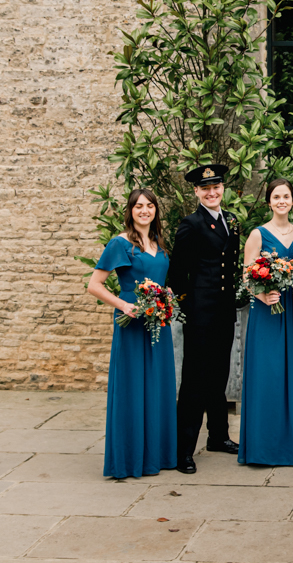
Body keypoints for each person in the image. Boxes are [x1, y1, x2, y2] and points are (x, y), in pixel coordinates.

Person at [87, 189, 176, 478]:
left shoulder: (159, 243)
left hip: (158, 323)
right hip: (132, 322)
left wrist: (167, 296)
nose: (144, 211)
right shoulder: (120, 243)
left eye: (150, 206)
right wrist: (124, 304)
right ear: (130, 210)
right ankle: (128, 459)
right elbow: (94, 285)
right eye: (139, 206)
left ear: (155, 211)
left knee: (157, 386)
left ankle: (156, 456)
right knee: (132, 386)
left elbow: (160, 280)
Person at [168, 165, 241, 474]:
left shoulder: (231, 221)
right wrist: (189, 306)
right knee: (194, 383)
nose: (212, 192)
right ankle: (182, 449)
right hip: (200, 314)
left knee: (219, 376)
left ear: (222, 188)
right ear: (196, 192)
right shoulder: (191, 224)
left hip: (224, 312)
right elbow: (176, 273)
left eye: (217, 186)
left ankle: (218, 436)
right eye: (205, 188)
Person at [238, 179, 293, 466]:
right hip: (266, 312)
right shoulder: (258, 234)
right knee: (267, 375)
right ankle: (263, 446)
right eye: (276, 196)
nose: (282, 201)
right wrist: (261, 293)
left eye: (286, 196)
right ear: (270, 201)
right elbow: (246, 275)